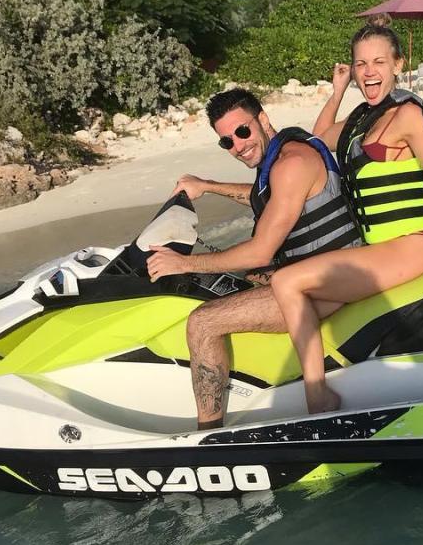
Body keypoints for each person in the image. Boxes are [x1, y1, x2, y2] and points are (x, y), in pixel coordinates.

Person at [270, 19, 423, 414]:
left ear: (397, 64)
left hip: (411, 245)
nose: (369, 71)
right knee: (301, 306)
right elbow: (318, 140)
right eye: (360, 64)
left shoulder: (407, 114)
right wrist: (338, 91)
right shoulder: (363, 118)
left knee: (287, 281)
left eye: (378, 61)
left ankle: (317, 396)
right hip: (378, 251)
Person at [146, 88, 361, 429]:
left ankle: (209, 436)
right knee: (241, 280)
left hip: (326, 284)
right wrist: (208, 185)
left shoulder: (292, 163)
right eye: (227, 141)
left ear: (263, 119)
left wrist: (184, 263)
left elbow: (261, 249)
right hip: (313, 273)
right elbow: (266, 198)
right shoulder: (281, 157)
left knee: (202, 322)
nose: (238, 145)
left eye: (242, 131)